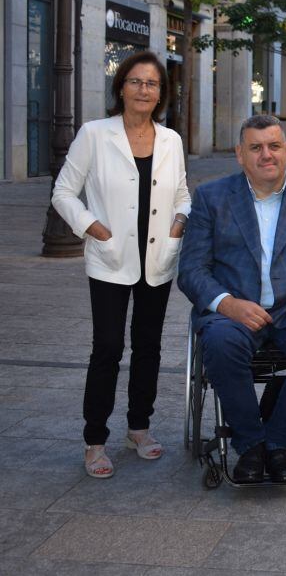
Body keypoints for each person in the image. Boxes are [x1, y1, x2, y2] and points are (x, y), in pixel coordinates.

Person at [178, 115, 286, 483]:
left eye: (273, 146)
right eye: (255, 148)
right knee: (219, 343)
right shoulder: (211, 197)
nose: (265, 155)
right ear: (240, 154)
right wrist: (227, 304)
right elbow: (191, 269)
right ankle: (250, 444)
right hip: (234, 312)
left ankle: (278, 442)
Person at [52, 51, 190, 478]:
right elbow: (63, 192)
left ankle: (139, 428)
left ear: (161, 93)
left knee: (148, 346)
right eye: (135, 81)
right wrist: (93, 228)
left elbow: (182, 193)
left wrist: (179, 223)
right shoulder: (95, 134)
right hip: (110, 257)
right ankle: (95, 440)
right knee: (108, 347)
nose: (143, 90)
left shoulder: (170, 140)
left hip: (157, 257)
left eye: (152, 83)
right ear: (121, 88)